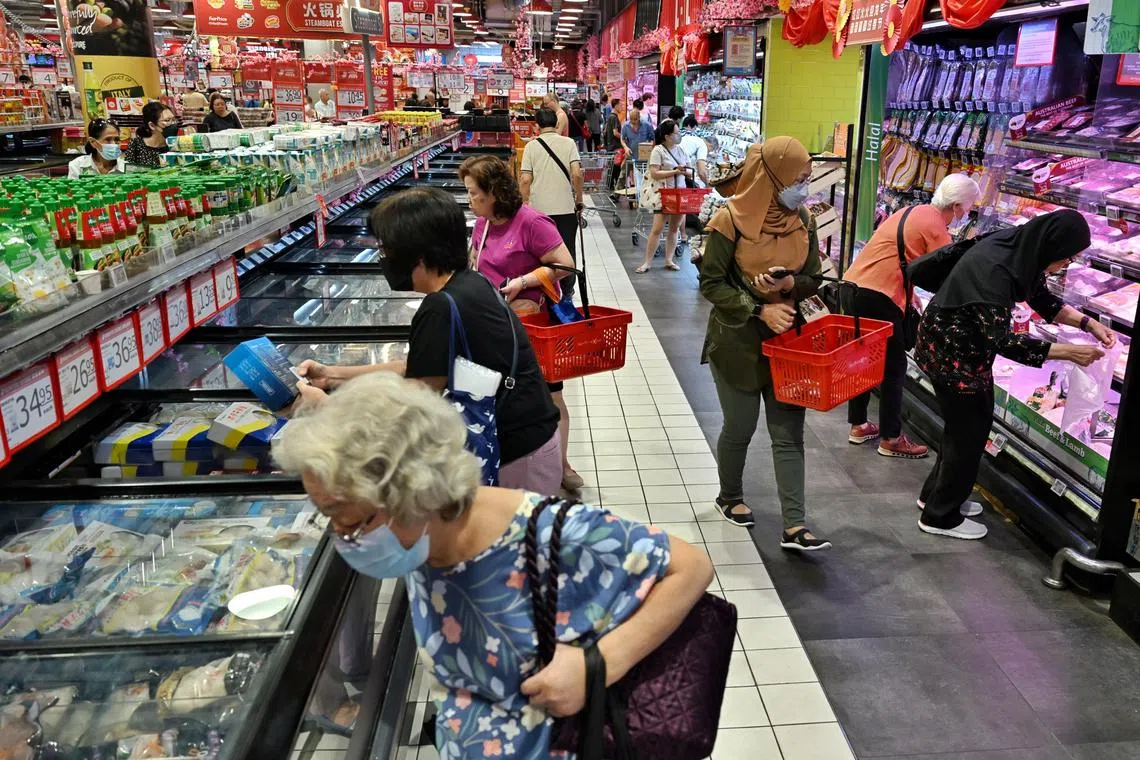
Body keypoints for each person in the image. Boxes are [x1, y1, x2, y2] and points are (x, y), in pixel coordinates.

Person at [272, 370, 714, 758]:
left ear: (412, 494)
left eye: (349, 521)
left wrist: (598, 664)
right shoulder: (422, 541)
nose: (342, 537)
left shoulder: (550, 534)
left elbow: (690, 566)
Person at [294, 186, 564, 494]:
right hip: (533, 443)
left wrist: (326, 407)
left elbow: (413, 404)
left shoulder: (440, 308)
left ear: (416, 255)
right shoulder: (470, 282)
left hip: (517, 459)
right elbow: (421, 369)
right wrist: (332, 374)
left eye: (386, 250)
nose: (384, 258)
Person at [915, 209, 1114, 540]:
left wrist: (1088, 323)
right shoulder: (995, 270)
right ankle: (940, 516)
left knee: (961, 429)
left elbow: (1042, 298)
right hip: (952, 354)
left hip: (959, 349)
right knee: (969, 433)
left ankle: (935, 497)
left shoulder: (1019, 248)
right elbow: (1004, 342)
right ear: (1051, 247)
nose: (1067, 264)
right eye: (1067, 257)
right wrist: (1071, 353)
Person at [699, 138, 832, 550]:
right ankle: (730, 497)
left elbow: (814, 277)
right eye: (799, 178)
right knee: (739, 427)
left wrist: (793, 284)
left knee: (788, 433)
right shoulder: (729, 220)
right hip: (737, 340)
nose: (804, 187)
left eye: (807, 178)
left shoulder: (803, 220)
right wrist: (758, 309)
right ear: (772, 176)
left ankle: (795, 525)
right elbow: (711, 283)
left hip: (787, 345)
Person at [459, 155, 584, 492]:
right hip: (499, 327)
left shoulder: (532, 222)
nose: (469, 200)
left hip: (537, 325)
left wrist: (525, 281)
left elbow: (566, 265)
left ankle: (561, 463)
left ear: (494, 192)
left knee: (551, 396)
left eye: (473, 193)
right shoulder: (483, 224)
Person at [842, 173, 981, 459]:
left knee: (864, 361)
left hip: (855, 287)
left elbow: (901, 257)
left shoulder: (913, 210)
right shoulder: (936, 226)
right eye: (967, 207)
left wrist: (909, 292)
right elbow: (952, 276)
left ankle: (859, 425)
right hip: (878, 296)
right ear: (956, 206)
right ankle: (891, 438)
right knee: (893, 368)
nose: (967, 213)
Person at [520, 107, 583, 301]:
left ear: (536, 126)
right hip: (565, 209)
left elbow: (524, 180)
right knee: (567, 251)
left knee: (541, 253)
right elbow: (577, 174)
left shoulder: (531, 146)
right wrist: (579, 199)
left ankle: (546, 291)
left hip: (539, 213)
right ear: (557, 124)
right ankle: (568, 294)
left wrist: (524, 204)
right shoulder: (569, 143)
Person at [635, 119, 690, 273]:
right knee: (657, 228)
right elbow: (654, 173)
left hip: (680, 193)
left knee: (675, 228)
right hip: (663, 195)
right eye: (676, 133)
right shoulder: (658, 151)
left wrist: (684, 171)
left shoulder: (681, 150)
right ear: (667, 136)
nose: (679, 135)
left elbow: (690, 171)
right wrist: (675, 171)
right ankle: (647, 262)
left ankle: (669, 260)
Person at [124, 101, 176, 169]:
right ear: (152, 125)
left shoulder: (175, 145)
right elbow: (129, 172)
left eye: (173, 119)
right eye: (167, 120)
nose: (172, 124)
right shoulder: (136, 144)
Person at [679, 115, 711, 187]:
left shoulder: (678, 133)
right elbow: (701, 172)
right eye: (695, 128)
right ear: (689, 125)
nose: (695, 130)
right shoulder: (693, 136)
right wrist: (708, 185)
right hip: (684, 168)